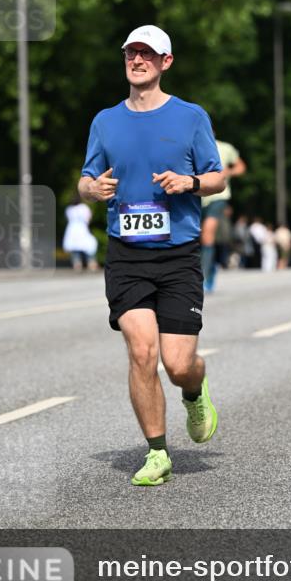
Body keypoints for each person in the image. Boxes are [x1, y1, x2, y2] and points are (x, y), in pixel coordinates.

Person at [78, 25, 225, 486]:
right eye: (130, 52)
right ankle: (158, 452)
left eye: (147, 53)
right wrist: (92, 189)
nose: (137, 60)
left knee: (178, 363)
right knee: (142, 352)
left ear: (166, 62)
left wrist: (191, 183)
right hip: (126, 254)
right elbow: (84, 181)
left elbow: (218, 177)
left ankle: (195, 391)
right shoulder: (105, 121)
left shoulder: (191, 116)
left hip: (178, 254)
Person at [200, 139, 246, 292]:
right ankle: (210, 267)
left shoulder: (226, 147)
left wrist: (228, 172)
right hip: (196, 196)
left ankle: (205, 278)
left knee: (208, 235)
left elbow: (241, 167)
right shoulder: (191, 143)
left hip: (218, 196)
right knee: (197, 237)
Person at [62, 197, 99, 271]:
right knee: (89, 245)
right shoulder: (84, 207)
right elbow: (88, 218)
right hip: (82, 229)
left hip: (71, 230)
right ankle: (91, 263)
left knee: (75, 248)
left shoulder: (69, 209)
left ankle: (77, 264)